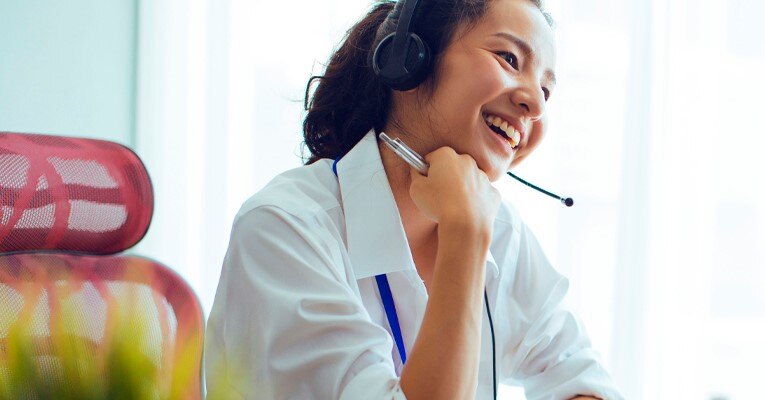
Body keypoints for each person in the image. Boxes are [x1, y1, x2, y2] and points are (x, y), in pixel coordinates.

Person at [203, 0, 622, 398]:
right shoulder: (283, 228)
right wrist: (465, 237)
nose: (534, 105)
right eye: (509, 59)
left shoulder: (502, 233)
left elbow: (585, 379)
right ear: (408, 60)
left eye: (546, 91)